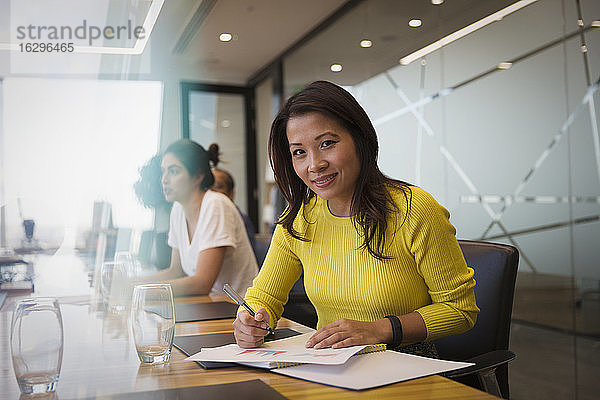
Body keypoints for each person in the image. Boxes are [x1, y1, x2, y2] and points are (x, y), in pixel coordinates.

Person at [233, 81, 479, 355]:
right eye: (299, 152)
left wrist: (378, 329)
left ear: (359, 139)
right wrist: (250, 320)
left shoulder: (414, 208)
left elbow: (460, 310)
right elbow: (265, 296)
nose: (314, 164)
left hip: (406, 364)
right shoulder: (301, 218)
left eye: (327, 143)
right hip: (329, 365)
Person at [140, 140, 258, 297]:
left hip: (239, 310)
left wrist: (141, 292)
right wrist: (133, 284)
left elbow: (202, 283)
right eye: (163, 171)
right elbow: (176, 271)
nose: (164, 179)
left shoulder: (216, 204)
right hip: (208, 305)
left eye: (173, 171)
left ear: (197, 177)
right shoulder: (178, 209)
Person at [211, 166, 256, 254]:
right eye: (208, 187)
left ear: (231, 193)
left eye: (217, 186)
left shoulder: (241, 219)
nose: (211, 192)